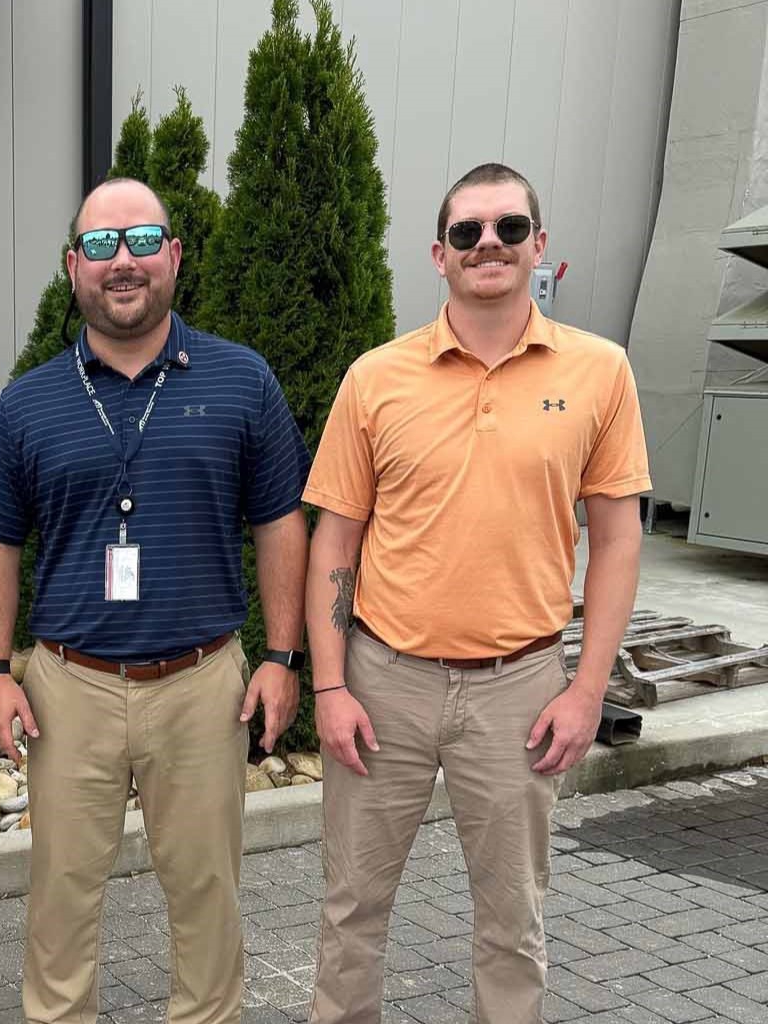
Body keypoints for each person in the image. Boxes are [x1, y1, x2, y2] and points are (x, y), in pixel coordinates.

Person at [0, 178, 312, 1024]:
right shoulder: (29, 401)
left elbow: (280, 523)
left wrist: (282, 657)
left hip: (201, 686)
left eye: (144, 242)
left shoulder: (241, 380)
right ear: (73, 267)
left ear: (175, 257)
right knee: (60, 904)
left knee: (206, 898)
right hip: (68, 689)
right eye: (103, 246)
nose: (125, 263)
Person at [303, 162, 650, 1024]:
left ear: (539, 245)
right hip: (385, 682)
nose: (487, 244)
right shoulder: (375, 379)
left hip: (520, 689)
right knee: (352, 910)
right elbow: (333, 542)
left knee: (513, 920)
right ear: (438, 254)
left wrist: (585, 689)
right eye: (467, 232)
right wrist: (331, 684)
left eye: (506, 228)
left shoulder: (601, 372)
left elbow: (616, 539)